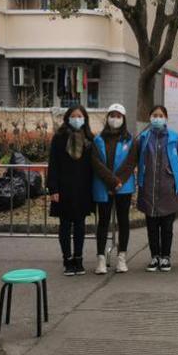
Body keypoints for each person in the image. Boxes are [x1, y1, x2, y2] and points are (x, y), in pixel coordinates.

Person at [123, 105, 178, 272]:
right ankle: (154, 256)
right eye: (154, 115)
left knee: (167, 226)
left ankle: (166, 256)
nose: (157, 118)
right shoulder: (143, 138)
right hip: (148, 188)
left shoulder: (174, 137)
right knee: (151, 226)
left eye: (160, 115)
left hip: (168, 188)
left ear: (166, 118)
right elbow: (135, 158)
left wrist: (173, 172)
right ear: (150, 118)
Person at [47, 105, 94, 276]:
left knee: (80, 225)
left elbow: (93, 166)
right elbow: (53, 164)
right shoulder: (59, 138)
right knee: (65, 225)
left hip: (83, 189)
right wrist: (53, 188)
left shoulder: (89, 139)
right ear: (67, 118)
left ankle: (78, 259)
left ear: (85, 118)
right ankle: (67, 260)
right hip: (63, 188)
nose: (77, 119)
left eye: (80, 116)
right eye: (73, 116)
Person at [91, 103, 136, 274]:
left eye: (118, 116)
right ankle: (101, 259)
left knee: (123, 221)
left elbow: (130, 163)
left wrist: (119, 182)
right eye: (112, 115)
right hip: (103, 186)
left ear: (123, 119)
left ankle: (121, 258)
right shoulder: (98, 139)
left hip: (124, 187)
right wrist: (112, 181)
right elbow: (96, 163)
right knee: (103, 222)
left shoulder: (130, 140)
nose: (115, 119)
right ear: (107, 117)